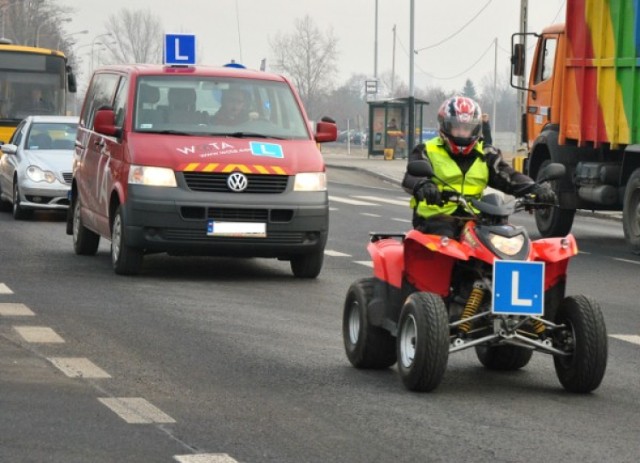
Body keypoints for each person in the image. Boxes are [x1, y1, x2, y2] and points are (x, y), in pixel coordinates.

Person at [402, 96, 556, 237]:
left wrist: (535, 188)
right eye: (457, 127)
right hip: (435, 219)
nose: (462, 133)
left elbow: (508, 175)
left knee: (505, 238)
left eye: (467, 128)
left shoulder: (486, 153)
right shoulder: (426, 150)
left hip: (476, 219)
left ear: (476, 129)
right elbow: (411, 176)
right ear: (445, 126)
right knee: (445, 235)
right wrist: (424, 185)